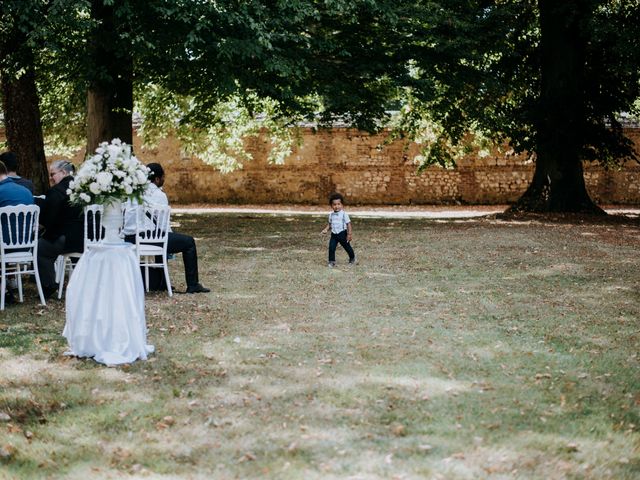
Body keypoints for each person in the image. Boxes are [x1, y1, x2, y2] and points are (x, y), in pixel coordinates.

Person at [123, 162, 210, 294]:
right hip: (149, 239)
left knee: (158, 236)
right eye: (163, 177)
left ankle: (162, 282)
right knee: (188, 242)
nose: (164, 179)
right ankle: (193, 284)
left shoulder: (133, 193)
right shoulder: (159, 195)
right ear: (157, 179)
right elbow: (163, 227)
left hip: (130, 239)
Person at [37, 160, 83, 299]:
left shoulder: (56, 191)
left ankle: (48, 285)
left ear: (63, 172)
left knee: (39, 248)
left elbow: (48, 220)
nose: (51, 178)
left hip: (67, 239)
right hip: (87, 238)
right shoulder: (84, 188)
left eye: (53, 174)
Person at [0, 160, 35, 304]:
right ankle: (6, 289)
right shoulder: (25, 190)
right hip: (26, 245)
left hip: (5, 247)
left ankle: (4, 291)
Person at [320, 192, 356, 267]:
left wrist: (349, 234)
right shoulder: (331, 215)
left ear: (342, 205)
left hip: (342, 234)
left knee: (347, 247)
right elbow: (330, 224)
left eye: (339, 204)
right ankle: (331, 261)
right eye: (334, 204)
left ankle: (352, 258)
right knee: (331, 247)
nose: (337, 206)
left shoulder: (344, 214)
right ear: (331, 206)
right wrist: (326, 229)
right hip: (334, 234)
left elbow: (348, 224)